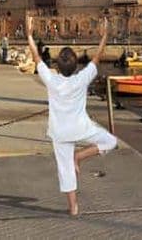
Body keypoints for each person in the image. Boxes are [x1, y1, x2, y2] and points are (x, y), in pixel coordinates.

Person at [25, 17, 116, 216]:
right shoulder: (82, 79)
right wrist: (104, 36)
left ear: (57, 66)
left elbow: (37, 58)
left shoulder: (51, 79)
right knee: (110, 141)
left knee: (65, 170)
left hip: (60, 132)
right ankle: (80, 156)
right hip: (81, 128)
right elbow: (97, 58)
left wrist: (30, 35)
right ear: (76, 66)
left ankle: (73, 207)